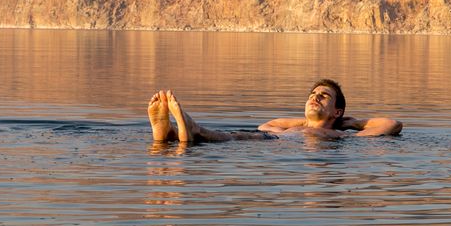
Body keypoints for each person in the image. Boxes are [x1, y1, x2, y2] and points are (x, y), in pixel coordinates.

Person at [147, 78, 402, 147]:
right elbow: (265, 125)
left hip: (274, 146)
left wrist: (351, 123)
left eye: (323, 96)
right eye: (312, 95)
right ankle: (168, 133)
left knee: (233, 138)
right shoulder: (291, 127)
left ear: (337, 111)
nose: (315, 97)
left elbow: (392, 124)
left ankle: (188, 130)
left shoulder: (341, 138)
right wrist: (307, 121)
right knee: (237, 136)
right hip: (272, 140)